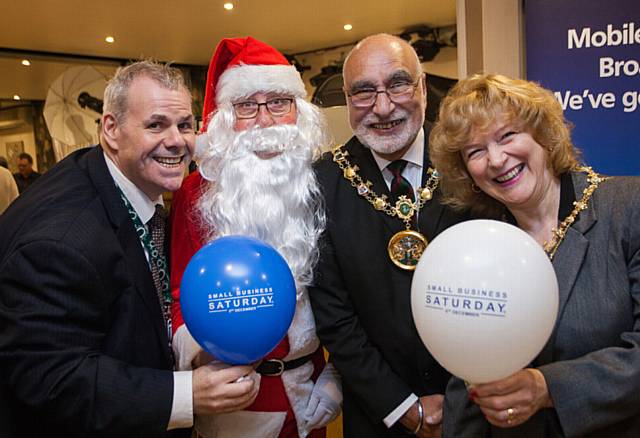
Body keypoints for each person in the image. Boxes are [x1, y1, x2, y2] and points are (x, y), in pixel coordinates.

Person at [0, 60, 260, 438]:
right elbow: (51, 379)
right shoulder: (62, 243)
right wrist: (185, 395)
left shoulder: (117, 182)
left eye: (185, 125)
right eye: (156, 125)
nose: (177, 141)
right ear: (111, 129)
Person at [429, 73, 640, 437]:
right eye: (475, 151)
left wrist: (548, 388)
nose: (496, 159)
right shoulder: (478, 243)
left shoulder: (627, 207)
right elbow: (465, 376)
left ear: (542, 133)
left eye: (507, 135)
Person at [169, 37, 342, 438]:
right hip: (233, 399)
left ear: (300, 112)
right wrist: (199, 363)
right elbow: (178, 291)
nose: (264, 120)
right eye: (247, 105)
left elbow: (353, 289)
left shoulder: (322, 184)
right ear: (226, 117)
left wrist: (339, 372)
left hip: (313, 395)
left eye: (279, 102)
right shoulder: (196, 193)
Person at [308, 33, 469, 437]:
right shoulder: (320, 184)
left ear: (423, 89)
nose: (383, 107)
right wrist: (402, 407)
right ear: (347, 100)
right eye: (363, 92)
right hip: (380, 417)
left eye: (398, 84)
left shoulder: (469, 159)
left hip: (478, 407)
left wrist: (463, 397)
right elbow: (335, 317)